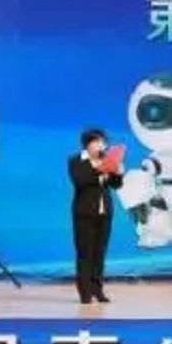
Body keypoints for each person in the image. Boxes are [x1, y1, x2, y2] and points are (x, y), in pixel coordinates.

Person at [68, 128, 125, 304]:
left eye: (103, 142)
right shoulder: (76, 160)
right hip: (84, 214)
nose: (101, 145)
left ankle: (97, 289)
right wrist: (100, 169)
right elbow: (80, 181)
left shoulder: (106, 160)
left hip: (104, 213)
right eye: (97, 142)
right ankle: (85, 293)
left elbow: (116, 185)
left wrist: (118, 173)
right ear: (88, 144)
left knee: (100, 254)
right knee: (85, 253)